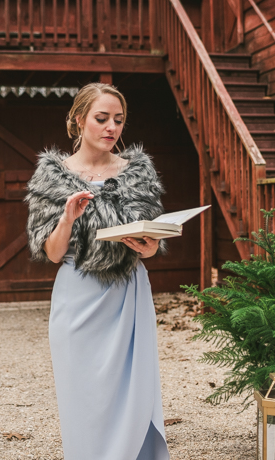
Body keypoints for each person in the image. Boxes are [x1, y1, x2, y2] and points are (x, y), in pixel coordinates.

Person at [25, 83, 170, 460]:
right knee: (83, 401)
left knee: (133, 394)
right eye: (101, 119)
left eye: (118, 120)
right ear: (78, 120)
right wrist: (67, 220)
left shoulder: (138, 172)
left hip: (129, 294)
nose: (111, 128)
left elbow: (152, 243)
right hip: (78, 297)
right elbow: (52, 253)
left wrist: (151, 246)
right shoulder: (52, 176)